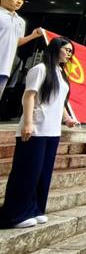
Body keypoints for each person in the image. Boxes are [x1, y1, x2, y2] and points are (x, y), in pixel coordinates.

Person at [0, 37, 77, 228]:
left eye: (71, 51)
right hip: (35, 129)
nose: (69, 54)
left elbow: (59, 101)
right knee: (27, 172)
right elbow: (29, 96)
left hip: (52, 131)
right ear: (55, 49)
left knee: (43, 173)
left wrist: (67, 118)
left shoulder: (61, 72)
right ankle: (15, 214)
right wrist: (27, 123)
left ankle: (35, 209)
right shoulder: (40, 69)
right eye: (66, 50)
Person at [0, 0, 43, 99]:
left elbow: (16, 42)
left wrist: (33, 36)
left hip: (5, 68)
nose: (19, 1)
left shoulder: (20, 21)